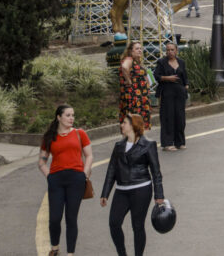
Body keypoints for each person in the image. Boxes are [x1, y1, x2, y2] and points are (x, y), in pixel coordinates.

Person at [100, 113, 165, 256]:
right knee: (114, 223)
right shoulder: (118, 146)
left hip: (141, 190)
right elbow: (112, 170)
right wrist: (105, 193)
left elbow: (156, 172)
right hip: (121, 190)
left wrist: (159, 194)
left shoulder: (148, 145)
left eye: (125, 123)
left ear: (133, 126)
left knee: (137, 226)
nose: (121, 125)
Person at [39, 105, 93, 256]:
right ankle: (55, 248)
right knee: (55, 218)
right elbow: (41, 162)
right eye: (68, 115)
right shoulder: (49, 137)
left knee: (71, 218)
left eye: (73, 115)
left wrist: (84, 173)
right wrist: (49, 176)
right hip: (56, 180)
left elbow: (89, 155)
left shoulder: (79, 133)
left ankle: (70, 253)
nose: (71, 118)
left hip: (76, 179)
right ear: (59, 117)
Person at [153, 43, 188, 151]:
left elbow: (185, 77)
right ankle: (167, 143)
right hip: (167, 93)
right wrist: (167, 78)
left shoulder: (181, 62)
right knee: (168, 117)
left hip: (179, 94)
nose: (170, 52)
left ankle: (180, 142)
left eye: (172, 50)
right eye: (168, 50)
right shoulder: (162, 62)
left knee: (180, 117)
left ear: (176, 51)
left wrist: (186, 87)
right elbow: (156, 76)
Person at [120, 41, 151, 129]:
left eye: (140, 48)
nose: (140, 50)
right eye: (137, 49)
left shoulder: (137, 62)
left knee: (140, 123)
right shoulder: (129, 59)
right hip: (134, 97)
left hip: (142, 97)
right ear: (131, 51)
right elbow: (124, 67)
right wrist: (129, 81)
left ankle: (140, 141)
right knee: (134, 122)